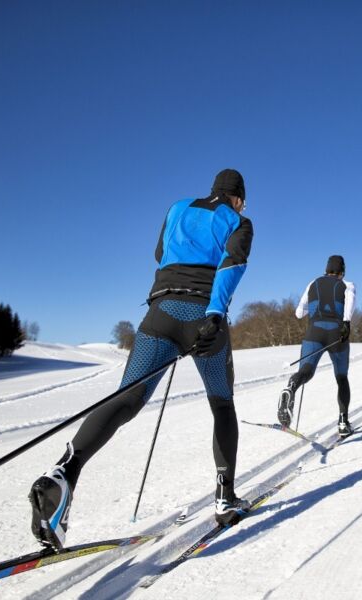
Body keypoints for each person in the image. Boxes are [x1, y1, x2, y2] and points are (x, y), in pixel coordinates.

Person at [28, 168, 253, 550]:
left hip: (160, 313)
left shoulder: (178, 207)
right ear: (239, 198)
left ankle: (65, 471)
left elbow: (159, 253)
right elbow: (232, 264)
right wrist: (214, 314)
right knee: (222, 404)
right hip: (203, 316)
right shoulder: (239, 221)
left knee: (126, 399)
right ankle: (225, 498)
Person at [278, 255, 356, 437]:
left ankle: (291, 387)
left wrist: (313, 310)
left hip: (314, 332)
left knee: (305, 371)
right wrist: (347, 322)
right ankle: (343, 422)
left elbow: (299, 313)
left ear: (326, 269)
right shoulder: (348, 285)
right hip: (337, 333)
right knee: (341, 378)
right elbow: (350, 300)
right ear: (342, 272)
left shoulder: (313, 283)